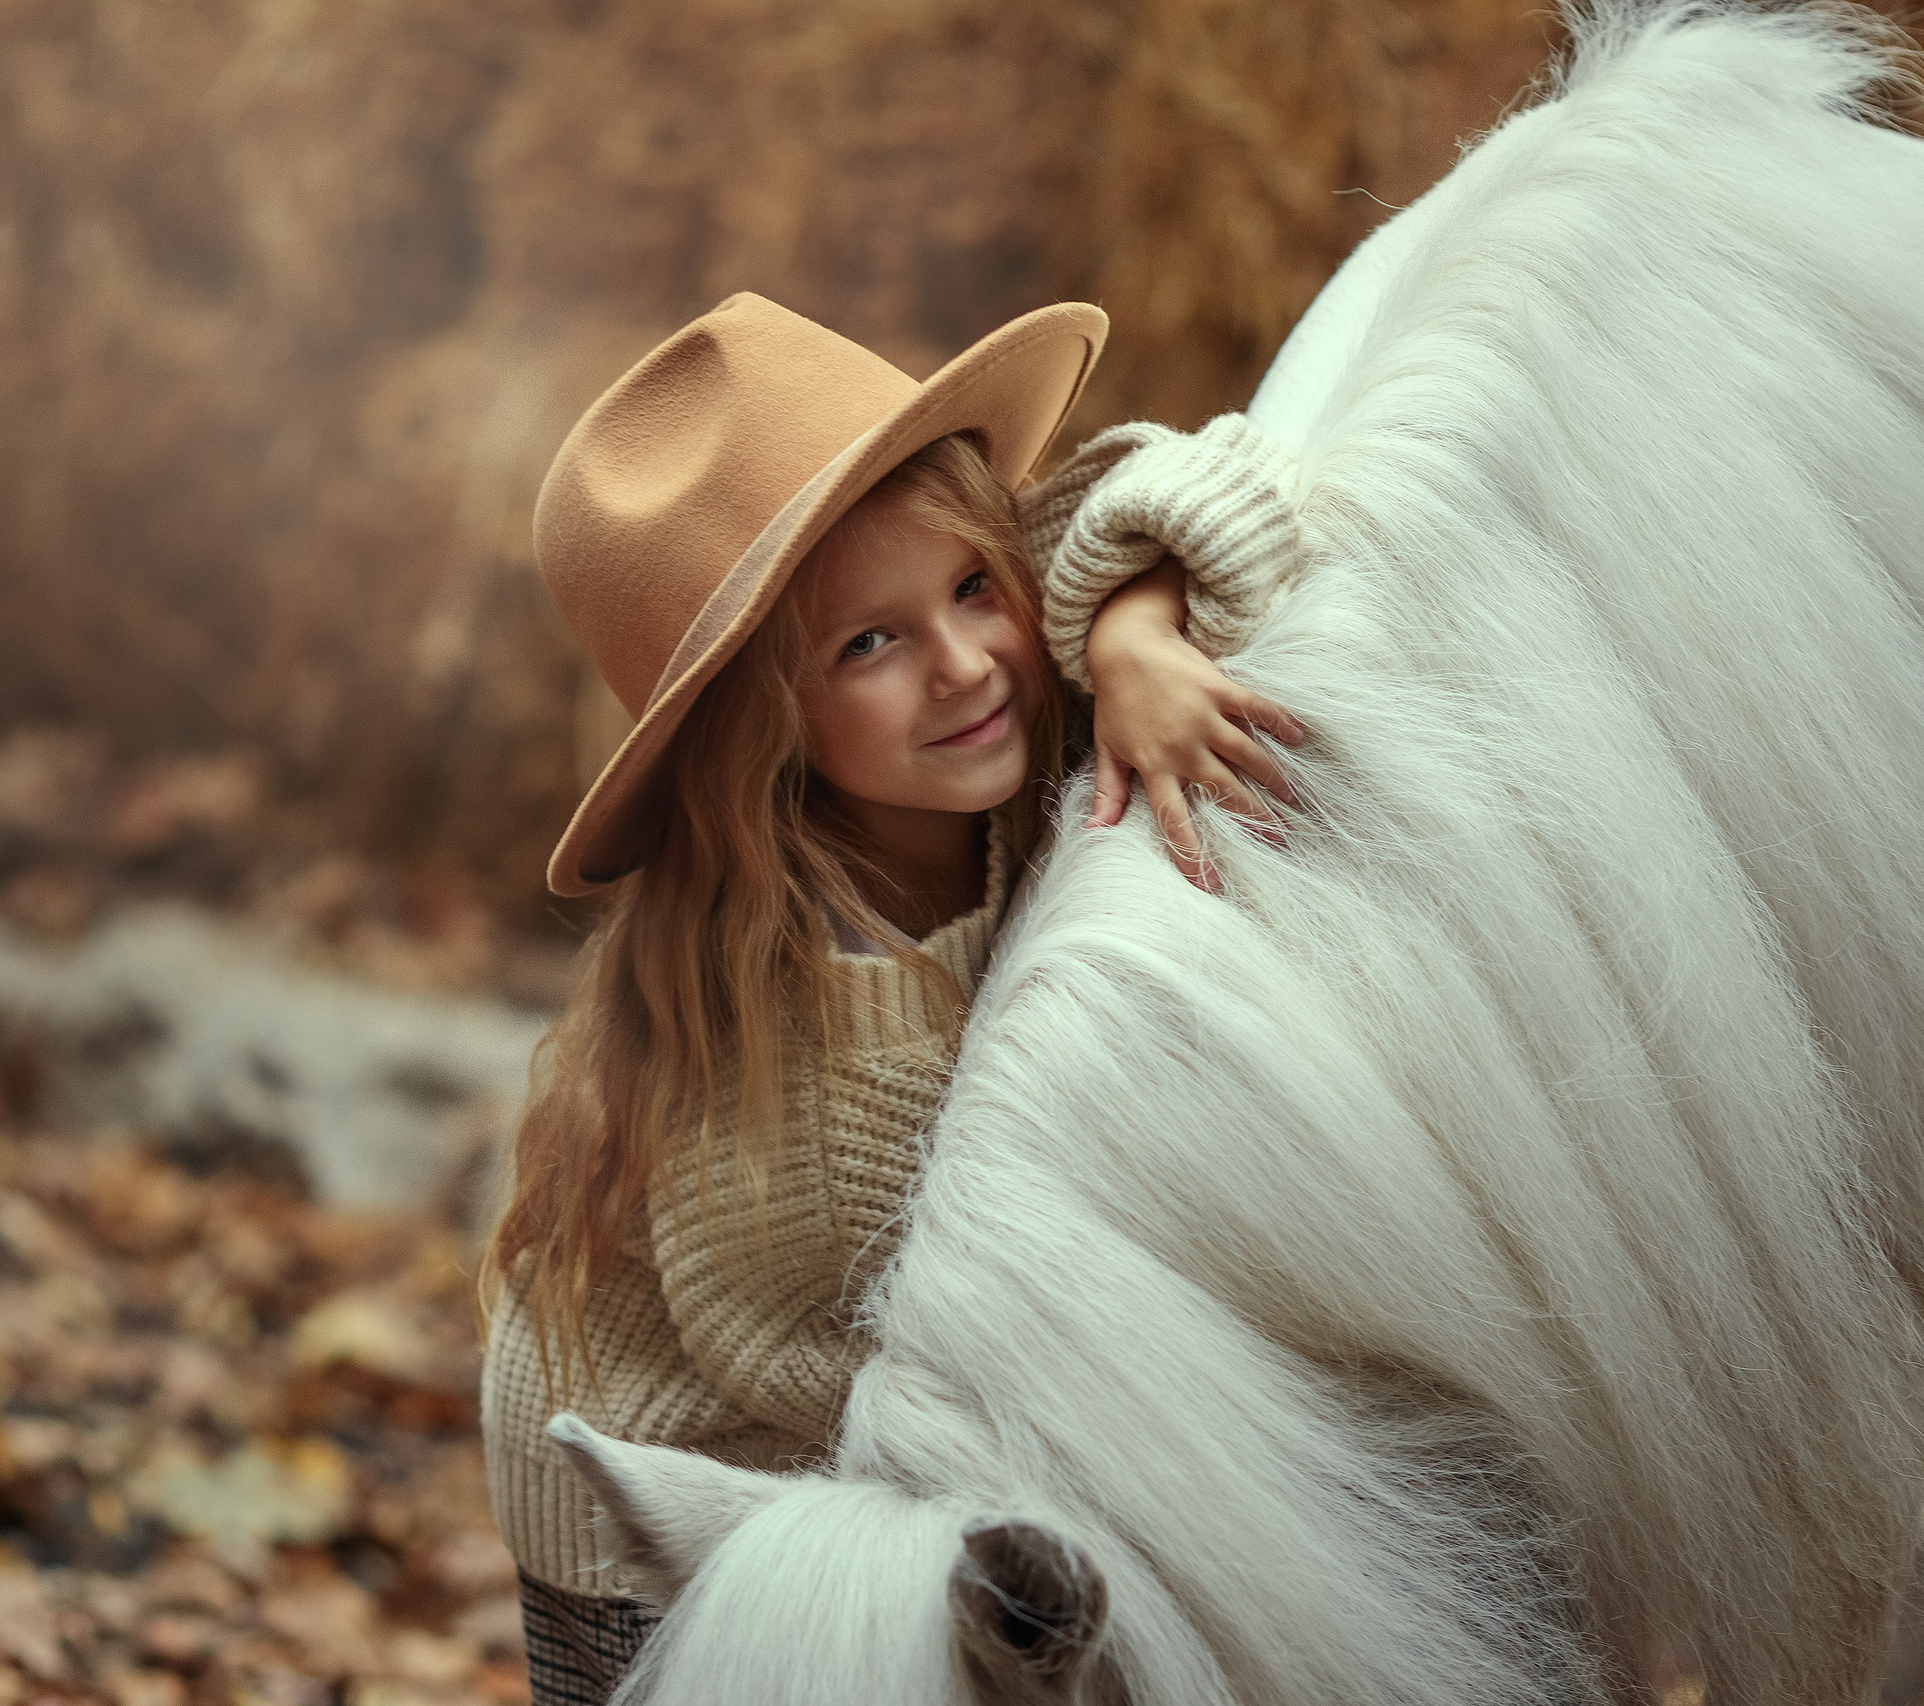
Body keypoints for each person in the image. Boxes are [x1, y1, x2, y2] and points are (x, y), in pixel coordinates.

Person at [473, 291, 1310, 1703]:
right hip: (666, 1470)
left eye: (975, 588)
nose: (965, 662)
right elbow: (830, 1354)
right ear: (765, 727)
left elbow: (1208, 471)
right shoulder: (797, 1041)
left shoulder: (998, 673)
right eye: (868, 646)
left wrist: (1130, 639)